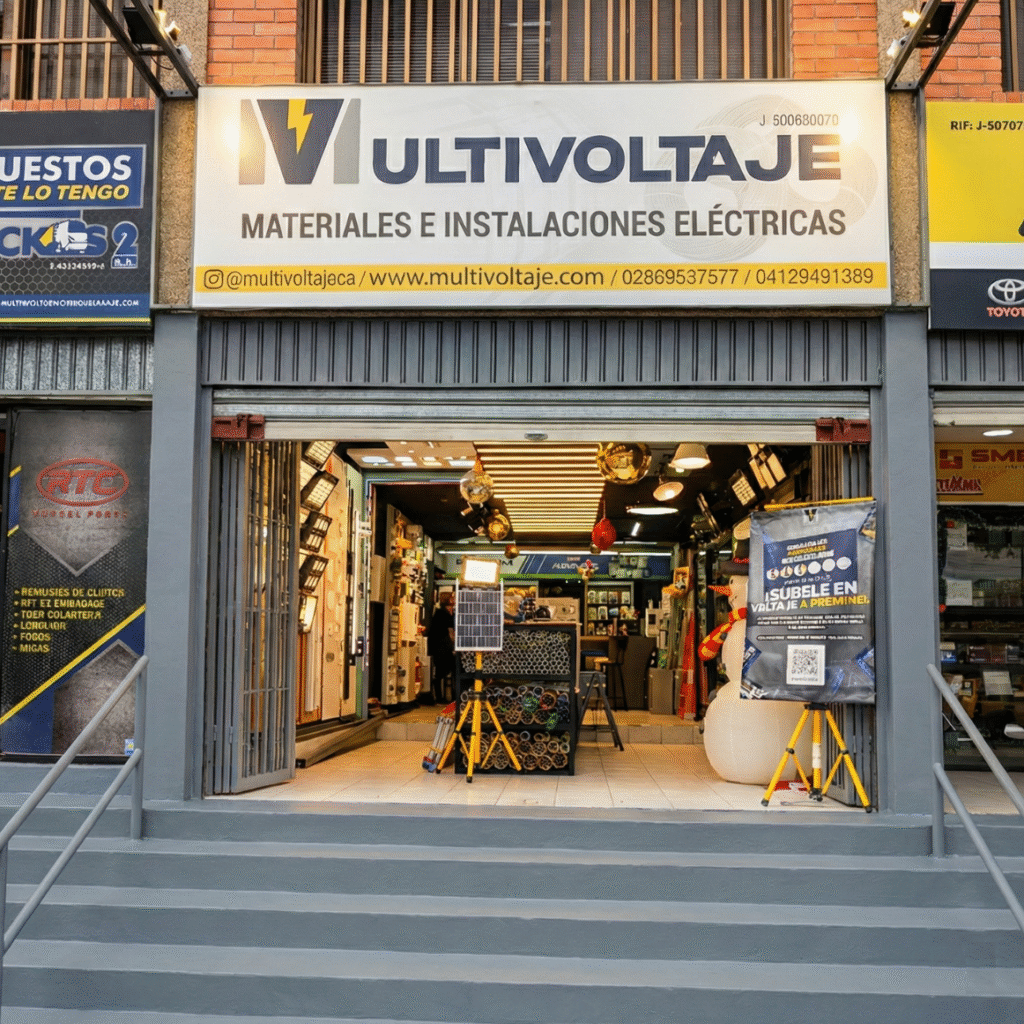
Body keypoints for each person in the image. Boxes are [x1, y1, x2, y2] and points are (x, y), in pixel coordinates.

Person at [427, 590, 456, 703]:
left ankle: (441, 696)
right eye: (453, 597)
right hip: (442, 646)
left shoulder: (441, 613)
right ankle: (441, 697)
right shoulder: (443, 614)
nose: (455, 600)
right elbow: (450, 630)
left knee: (443, 671)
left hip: (440, 646)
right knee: (443, 671)